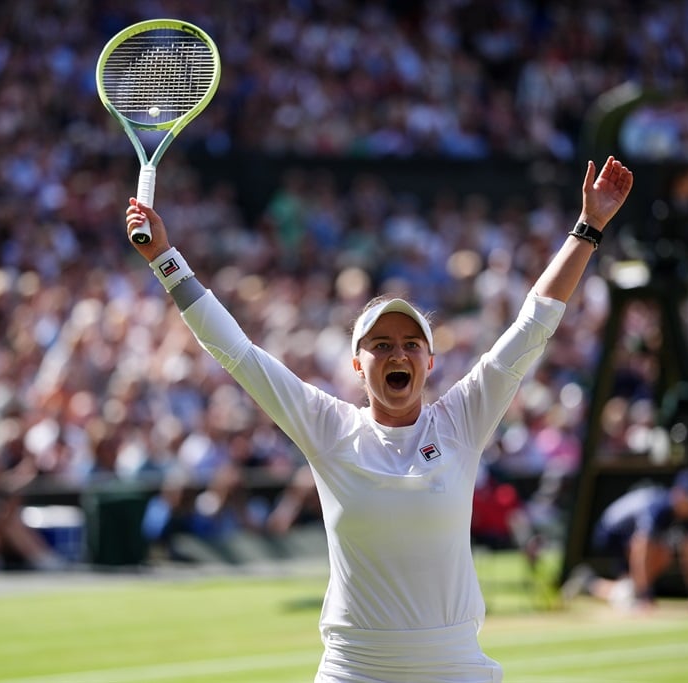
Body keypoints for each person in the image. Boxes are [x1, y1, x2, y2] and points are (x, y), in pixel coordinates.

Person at [124, 156, 633, 682]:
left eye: (412, 345)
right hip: (354, 671)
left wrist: (588, 228)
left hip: (455, 668)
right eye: (381, 345)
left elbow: (534, 324)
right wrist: (164, 256)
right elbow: (236, 352)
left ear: (430, 362)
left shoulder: (462, 418)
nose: (398, 355)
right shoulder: (328, 427)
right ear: (357, 364)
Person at [562, 468, 688, 612]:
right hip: (610, 534)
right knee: (661, 554)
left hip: (627, 538)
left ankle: (590, 584)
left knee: (635, 583)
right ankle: (632, 594)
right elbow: (641, 549)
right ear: (680, 494)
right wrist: (645, 595)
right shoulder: (658, 507)